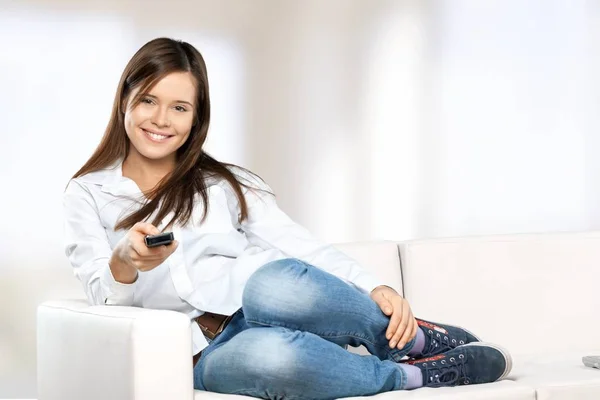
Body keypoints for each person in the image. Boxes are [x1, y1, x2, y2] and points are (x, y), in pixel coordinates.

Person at [63, 37, 511, 399]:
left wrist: (375, 286)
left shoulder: (225, 182)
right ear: (125, 98)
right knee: (275, 358)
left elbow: (297, 243)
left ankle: (410, 341)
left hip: (265, 308)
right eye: (148, 100)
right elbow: (103, 303)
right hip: (202, 353)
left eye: (180, 107)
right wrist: (123, 262)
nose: (161, 120)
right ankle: (419, 375)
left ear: (196, 118)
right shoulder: (87, 192)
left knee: (272, 280)